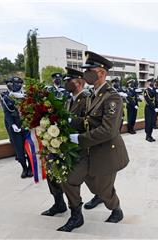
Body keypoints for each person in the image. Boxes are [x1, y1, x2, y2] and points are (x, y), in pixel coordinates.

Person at [58, 51, 129, 232]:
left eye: (90, 69)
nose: (86, 73)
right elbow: (90, 121)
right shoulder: (91, 95)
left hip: (105, 152)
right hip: (87, 151)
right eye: (86, 69)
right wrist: (73, 122)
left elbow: (108, 130)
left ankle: (116, 209)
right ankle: (76, 216)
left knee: (103, 190)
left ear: (102, 73)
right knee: (69, 179)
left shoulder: (112, 97)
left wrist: (80, 138)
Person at [40, 67, 87, 217]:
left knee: (70, 180)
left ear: (78, 82)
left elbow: (88, 124)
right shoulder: (68, 99)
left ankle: (76, 214)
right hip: (62, 144)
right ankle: (59, 204)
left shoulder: (87, 99)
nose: (65, 83)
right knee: (52, 172)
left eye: (68, 80)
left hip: (78, 146)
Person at [0, 76, 33, 179]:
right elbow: (7, 113)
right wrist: (13, 125)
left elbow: (32, 111)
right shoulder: (7, 97)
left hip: (27, 127)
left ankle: (31, 167)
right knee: (19, 150)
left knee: (30, 149)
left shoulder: (27, 96)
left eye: (19, 83)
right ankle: (24, 168)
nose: (16, 85)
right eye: (14, 83)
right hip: (15, 128)